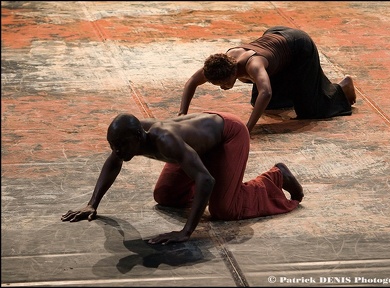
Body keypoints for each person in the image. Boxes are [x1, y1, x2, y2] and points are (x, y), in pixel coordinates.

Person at [61, 111, 304, 244]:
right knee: (165, 195)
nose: (118, 151)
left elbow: (206, 180)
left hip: (228, 135)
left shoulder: (164, 141)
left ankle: (277, 176)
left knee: (224, 210)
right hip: (197, 145)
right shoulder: (128, 138)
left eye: (122, 146)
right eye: (113, 146)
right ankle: (218, 181)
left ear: (138, 136)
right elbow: (113, 161)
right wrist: (92, 203)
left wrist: (185, 232)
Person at [178, 26, 357, 132]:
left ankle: (343, 87)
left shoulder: (253, 65)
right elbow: (193, 81)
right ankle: (299, 90)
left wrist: (248, 128)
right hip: (276, 40)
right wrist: (182, 114)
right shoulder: (221, 62)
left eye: (224, 84)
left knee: (312, 110)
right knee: (265, 104)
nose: (223, 88)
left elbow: (267, 92)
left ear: (233, 73)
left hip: (298, 46)